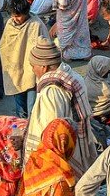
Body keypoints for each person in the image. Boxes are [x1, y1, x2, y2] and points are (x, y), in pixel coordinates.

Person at [24, 37, 97, 176]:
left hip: (63, 156)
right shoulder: (71, 76)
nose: (33, 70)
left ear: (43, 67)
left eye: (33, 66)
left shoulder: (52, 92)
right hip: (78, 146)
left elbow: (51, 133)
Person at [0, 0, 50, 118]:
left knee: (32, 107)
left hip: (32, 72)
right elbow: (4, 46)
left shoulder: (36, 25)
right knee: (20, 108)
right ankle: (22, 129)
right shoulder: (9, 24)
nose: (15, 19)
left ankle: (32, 130)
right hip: (15, 70)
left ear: (26, 13)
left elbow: (46, 48)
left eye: (18, 16)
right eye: (13, 15)